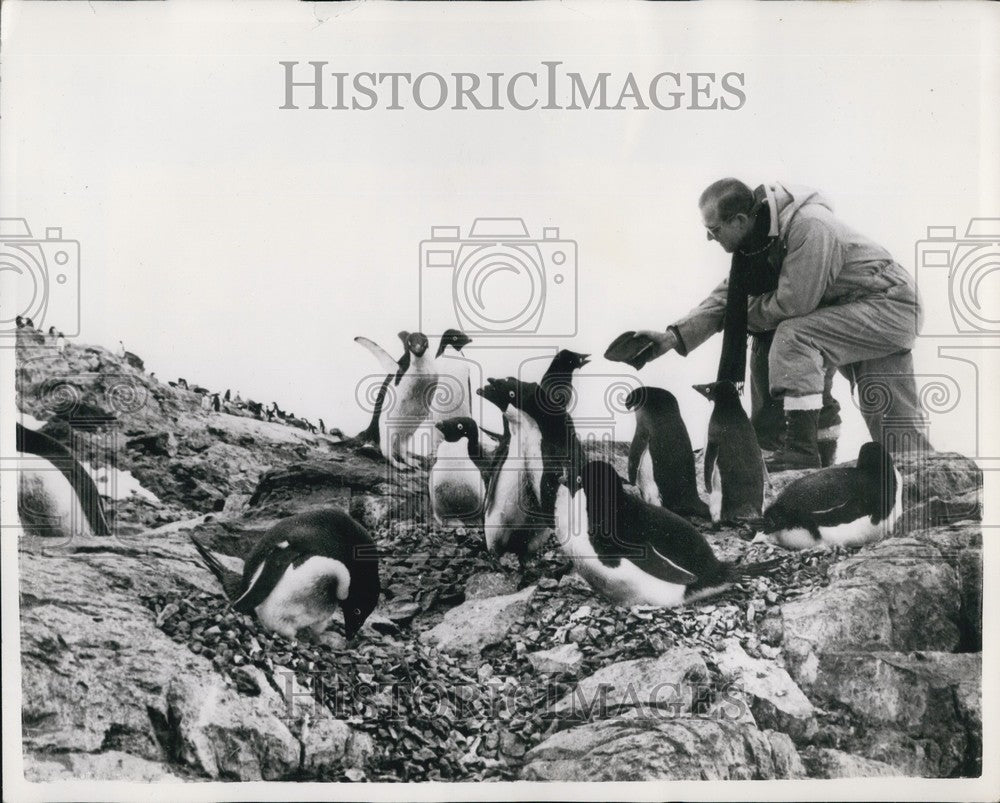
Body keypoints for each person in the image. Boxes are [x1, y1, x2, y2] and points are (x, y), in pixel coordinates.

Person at [626, 178, 931, 470]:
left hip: (889, 307)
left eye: (714, 229)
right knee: (904, 447)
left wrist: (742, 315)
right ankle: (807, 449)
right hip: (854, 309)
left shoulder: (810, 227)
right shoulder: (758, 241)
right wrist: (671, 338)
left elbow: (794, 303)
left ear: (740, 221)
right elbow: (730, 296)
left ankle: (800, 451)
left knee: (792, 335)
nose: (709, 237)